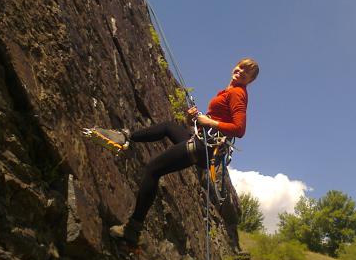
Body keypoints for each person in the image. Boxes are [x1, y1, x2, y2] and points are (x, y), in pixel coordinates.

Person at [86, 58, 259, 246]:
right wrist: (191, 118)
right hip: (202, 143)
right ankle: (125, 136)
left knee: (153, 169)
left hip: (204, 148)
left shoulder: (238, 93)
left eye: (246, 73)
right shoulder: (228, 91)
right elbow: (202, 124)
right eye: (240, 67)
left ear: (249, 80)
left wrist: (208, 122)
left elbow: (239, 129)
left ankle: (132, 229)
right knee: (168, 127)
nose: (240, 71)